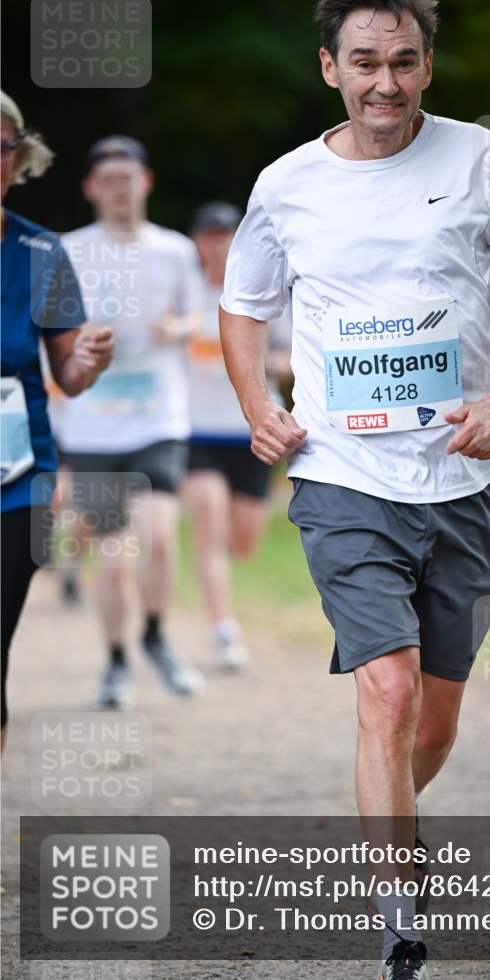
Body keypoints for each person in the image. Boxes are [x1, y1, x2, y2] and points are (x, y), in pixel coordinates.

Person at [219, 0, 490, 975]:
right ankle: (398, 917)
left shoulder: (481, 159)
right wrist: (258, 405)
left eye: (405, 62)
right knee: (383, 688)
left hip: (466, 477)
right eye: (366, 63)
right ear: (330, 69)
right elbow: (244, 306)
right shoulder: (286, 181)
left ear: (427, 65)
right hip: (342, 471)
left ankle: (389, 812)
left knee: (430, 712)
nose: (386, 82)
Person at [57, 136, 204, 709]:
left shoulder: (175, 250)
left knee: (159, 538)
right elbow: (49, 330)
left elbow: (200, 313)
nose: (119, 188)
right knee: (114, 560)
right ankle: (116, 661)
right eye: (108, 179)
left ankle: (156, 637)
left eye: (129, 177)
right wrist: (80, 341)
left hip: (158, 417)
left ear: (146, 183)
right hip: (91, 425)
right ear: (92, 189)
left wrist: (179, 328)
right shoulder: (67, 250)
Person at [0, 91, 113, 748]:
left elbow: (69, 373)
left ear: (18, 158)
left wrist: (91, 360)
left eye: (0, 146)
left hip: (16, 481)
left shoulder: (44, 253)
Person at [182, 202, 292, 669]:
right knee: (209, 520)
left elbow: (293, 356)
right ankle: (224, 629)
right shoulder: (182, 293)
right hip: (193, 432)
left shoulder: (262, 292)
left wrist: (257, 360)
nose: (219, 244)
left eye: (227, 235)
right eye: (210, 236)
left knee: (243, 542)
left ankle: (219, 568)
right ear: (196, 243)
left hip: (253, 429)